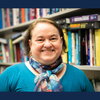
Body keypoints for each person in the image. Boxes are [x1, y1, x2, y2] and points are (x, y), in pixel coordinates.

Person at [0, 18, 94, 92]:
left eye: (53, 38)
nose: (48, 45)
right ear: (30, 44)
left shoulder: (79, 76)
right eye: (40, 40)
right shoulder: (10, 75)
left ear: (61, 41)